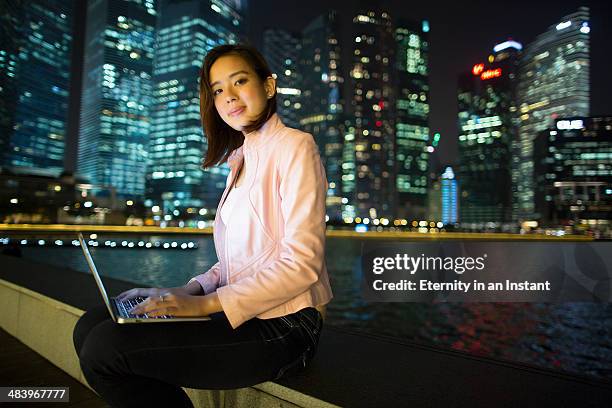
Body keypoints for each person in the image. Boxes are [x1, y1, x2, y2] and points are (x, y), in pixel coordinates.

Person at [72, 44, 333, 407]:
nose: (229, 97)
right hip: (242, 311)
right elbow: (239, 260)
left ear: (269, 86)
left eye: (239, 81)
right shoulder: (240, 160)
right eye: (218, 90)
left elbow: (302, 266)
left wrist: (204, 305)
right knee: (92, 324)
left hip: (285, 326)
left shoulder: (295, 147)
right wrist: (188, 290)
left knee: (106, 349)